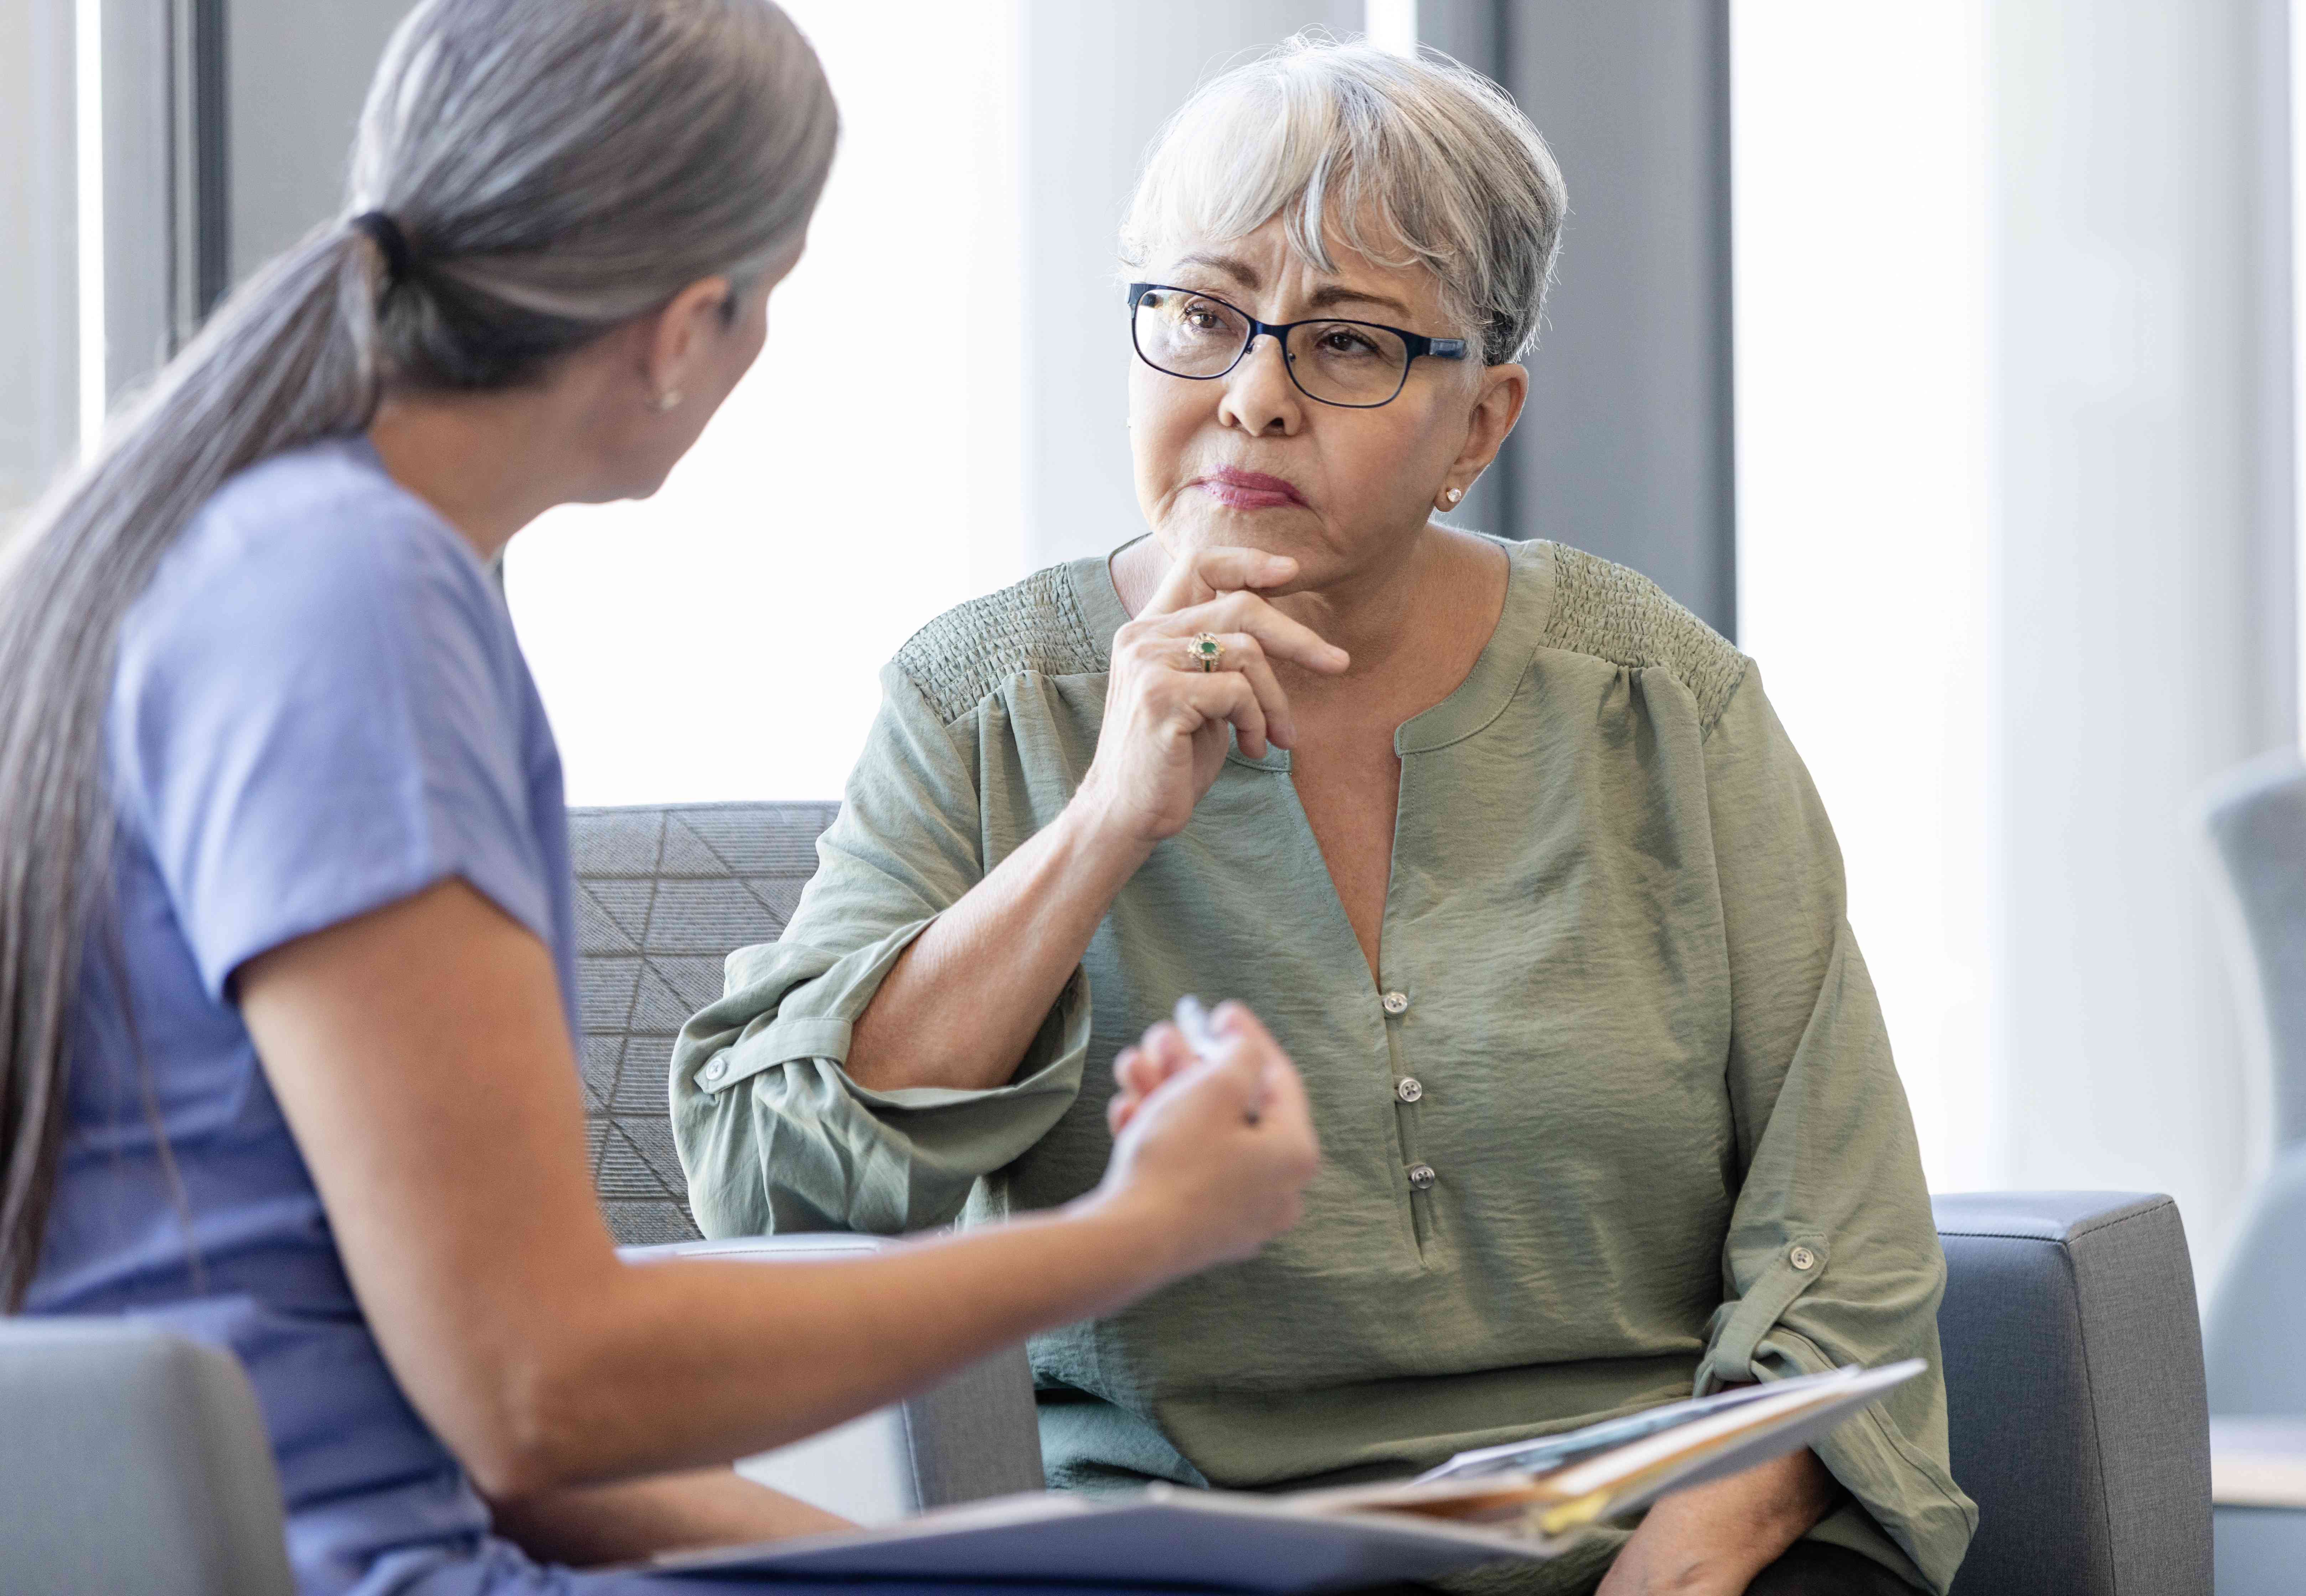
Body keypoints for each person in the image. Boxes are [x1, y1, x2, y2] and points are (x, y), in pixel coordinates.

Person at [0, 4, 1321, 1593]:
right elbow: (544, 1382)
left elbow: (489, 1426)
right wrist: (1138, 1231)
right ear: (690, 322)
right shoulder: (354, 606)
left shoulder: (263, 555)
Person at [672, 36, 1975, 1596]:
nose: (1254, 397)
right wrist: (1101, 823)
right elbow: (768, 1191)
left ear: (1480, 426)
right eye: (1204, 317)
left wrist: (1693, 1557)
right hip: (1207, 1564)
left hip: (1669, 1547)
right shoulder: (981, 702)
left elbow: (1850, 1231)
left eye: (1347, 344)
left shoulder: (1661, 701)